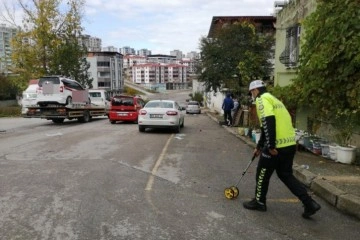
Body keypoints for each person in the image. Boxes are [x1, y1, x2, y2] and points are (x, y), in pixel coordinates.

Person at [243, 80, 321, 219]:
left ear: (255, 91)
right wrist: (259, 146)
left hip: (276, 147)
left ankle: (259, 202)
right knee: (286, 175)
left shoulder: (262, 99)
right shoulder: (274, 99)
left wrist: (271, 146)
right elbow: (265, 126)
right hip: (289, 145)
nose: (252, 96)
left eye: (251, 93)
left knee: (262, 173)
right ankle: (309, 203)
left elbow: (269, 122)